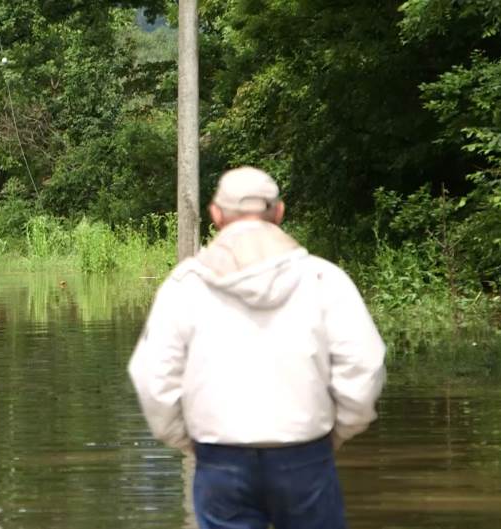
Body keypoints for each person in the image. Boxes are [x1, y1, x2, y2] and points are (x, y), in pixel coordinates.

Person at [128, 166, 386, 529]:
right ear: (278, 212)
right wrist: (337, 432)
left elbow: (152, 376)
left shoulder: (185, 286)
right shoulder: (323, 278)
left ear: (215, 215)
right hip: (306, 454)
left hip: (220, 459)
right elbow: (364, 365)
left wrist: (189, 440)